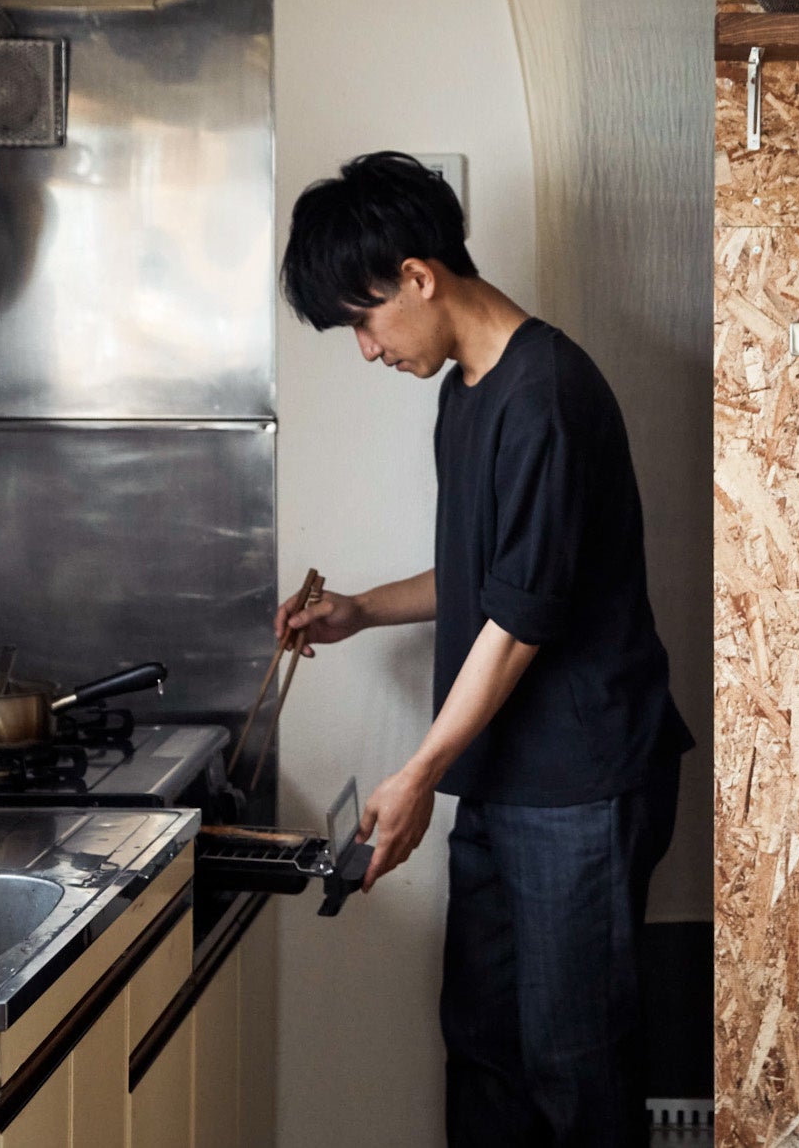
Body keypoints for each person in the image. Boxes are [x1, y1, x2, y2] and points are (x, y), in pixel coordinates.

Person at [274, 151, 693, 1148]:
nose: (366, 350)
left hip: (582, 784)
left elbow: (519, 625)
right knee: (484, 1051)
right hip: (503, 776)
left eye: (364, 320)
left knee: (575, 1070)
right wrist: (359, 610)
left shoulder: (546, 393)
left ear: (418, 276)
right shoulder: (466, 389)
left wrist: (418, 770)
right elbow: (490, 574)